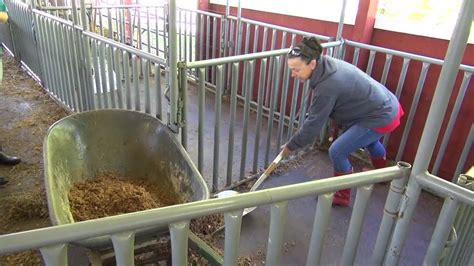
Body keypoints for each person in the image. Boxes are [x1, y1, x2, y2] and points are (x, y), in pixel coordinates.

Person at [281, 37, 404, 207]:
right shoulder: (327, 65)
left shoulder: (327, 87)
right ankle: (381, 173)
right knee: (370, 140)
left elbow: (313, 126)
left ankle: (342, 194)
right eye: (291, 69)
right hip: (386, 104)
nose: (293, 75)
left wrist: (290, 146)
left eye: (296, 70)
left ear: (313, 64)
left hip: (380, 114)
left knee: (337, 151)